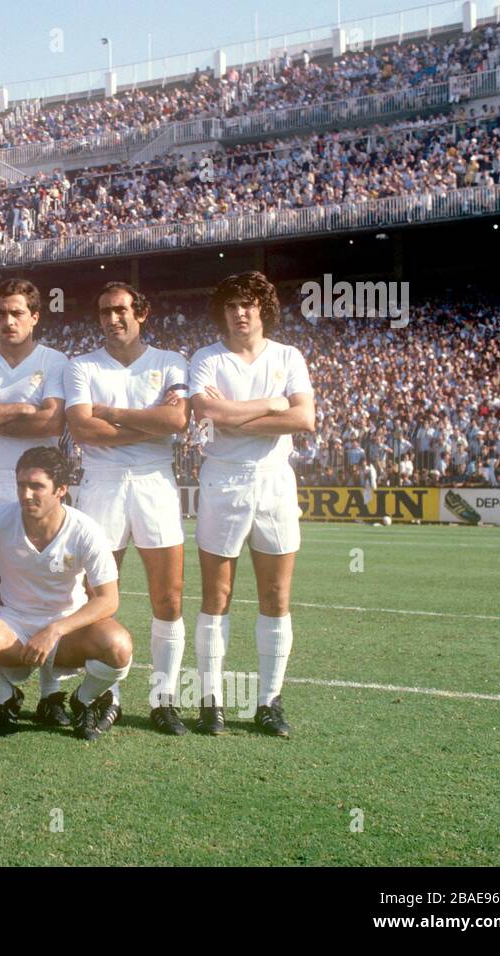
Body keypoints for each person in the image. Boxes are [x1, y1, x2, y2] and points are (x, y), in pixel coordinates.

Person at [188, 272, 315, 737]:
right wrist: (272, 405)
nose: (241, 313)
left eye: (249, 304)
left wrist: (235, 416)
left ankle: (269, 702)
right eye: (232, 305)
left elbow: (304, 419)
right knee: (216, 596)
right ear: (222, 311)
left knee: (276, 598)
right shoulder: (206, 359)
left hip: (275, 484)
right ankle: (211, 701)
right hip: (223, 481)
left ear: (263, 308)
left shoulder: (288, 356)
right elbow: (205, 414)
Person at [0, 446, 133, 740]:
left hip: (67, 632)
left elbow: (108, 599)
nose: (26, 494)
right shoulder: (2, 518)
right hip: (14, 626)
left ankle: (84, 699)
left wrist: (55, 629)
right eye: (21, 485)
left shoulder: (85, 530)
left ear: (61, 489)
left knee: (119, 646)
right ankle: (5, 698)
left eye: (37, 486)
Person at [64, 281, 190, 735]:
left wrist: (111, 414)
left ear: (142, 312)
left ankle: (164, 699)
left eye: (120, 310)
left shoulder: (171, 361)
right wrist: (150, 424)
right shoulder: (80, 367)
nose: (112, 319)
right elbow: (82, 431)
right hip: (102, 485)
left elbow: (177, 420)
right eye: (104, 312)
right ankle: (105, 696)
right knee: (98, 598)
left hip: (156, 482)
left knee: (168, 597)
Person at [0, 278, 70, 723]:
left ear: (35, 316)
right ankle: (2, 693)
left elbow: (50, 422)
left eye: (17, 313)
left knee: (52, 592)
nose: (8, 321)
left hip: (43, 482)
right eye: (1, 313)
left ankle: (52, 692)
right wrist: (23, 408)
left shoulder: (55, 361)